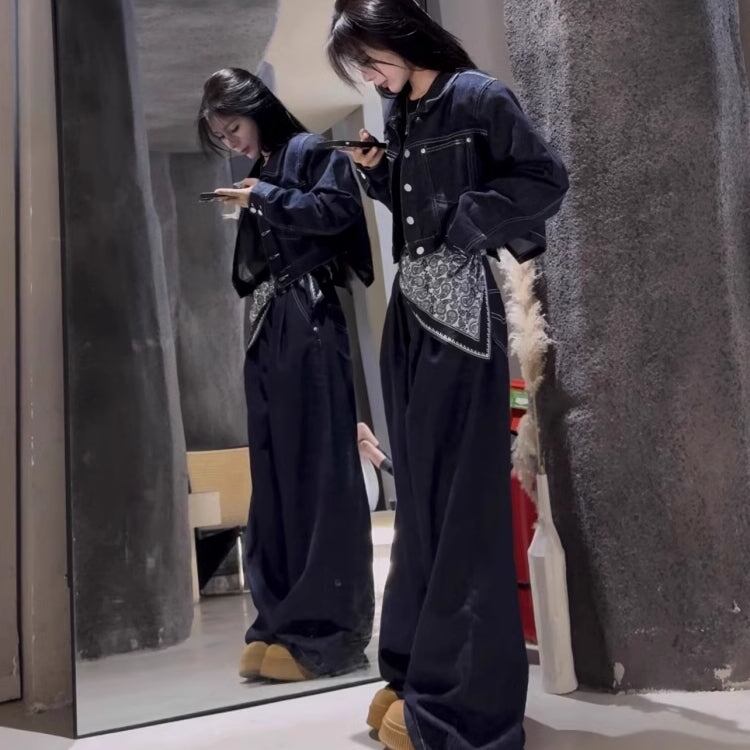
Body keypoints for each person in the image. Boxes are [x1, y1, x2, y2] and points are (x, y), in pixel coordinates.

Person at [327, 2, 569, 748]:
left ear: (400, 36)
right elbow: (413, 212)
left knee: (464, 506)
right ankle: (415, 674)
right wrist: (379, 173)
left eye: (371, 61)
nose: (371, 78)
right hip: (411, 318)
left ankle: (465, 708)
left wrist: (469, 220)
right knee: (423, 506)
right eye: (360, 70)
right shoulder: (402, 113)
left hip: (463, 321)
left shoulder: (479, 97)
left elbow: (545, 178)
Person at [197, 68, 375, 682]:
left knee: (316, 470)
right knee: (274, 474)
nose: (233, 143)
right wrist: (258, 199)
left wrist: (262, 199)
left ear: (257, 110)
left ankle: (328, 631)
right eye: (223, 137)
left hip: (308, 318)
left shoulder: (306, 151)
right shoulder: (274, 164)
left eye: (234, 129)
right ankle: (279, 621)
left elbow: (338, 211)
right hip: (272, 321)